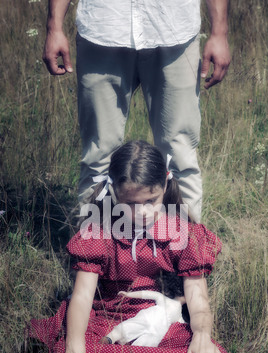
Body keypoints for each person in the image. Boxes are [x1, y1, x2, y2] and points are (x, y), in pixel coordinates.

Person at [28, 140, 230, 353]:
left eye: (151, 200)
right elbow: (82, 296)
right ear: (114, 193)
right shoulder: (100, 230)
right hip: (104, 317)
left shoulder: (180, 230)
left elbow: (197, 294)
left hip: (158, 318)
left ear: (164, 183)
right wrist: (75, 346)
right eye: (129, 204)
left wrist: (201, 333)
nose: (142, 213)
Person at [42, 0, 231, 223]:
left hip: (174, 30)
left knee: (179, 155)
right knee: (98, 155)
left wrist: (219, 32)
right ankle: (92, 253)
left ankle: (186, 252)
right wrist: (54, 26)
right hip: (104, 27)